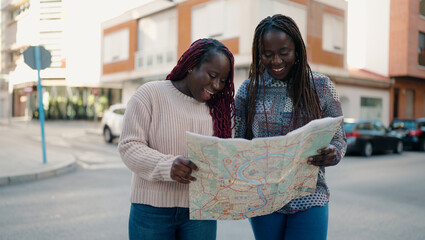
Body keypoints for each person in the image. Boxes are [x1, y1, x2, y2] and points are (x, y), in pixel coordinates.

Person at [234, 14, 347, 240]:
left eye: (284, 52)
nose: (276, 61)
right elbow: (238, 141)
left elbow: (339, 139)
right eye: (267, 54)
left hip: (310, 193)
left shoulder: (321, 86)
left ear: (297, 49)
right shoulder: (249, 90)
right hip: (264, 197)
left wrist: (333, 153)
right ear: (258, 54)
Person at [118, 38, 235, 240]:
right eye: (212, 75)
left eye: (223, 80)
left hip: (201, 214)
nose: (216, 85)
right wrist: (167, 166)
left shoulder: (220, 110)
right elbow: (129, 146)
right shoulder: (150, 94)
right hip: (151, 210)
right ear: (191, 66)